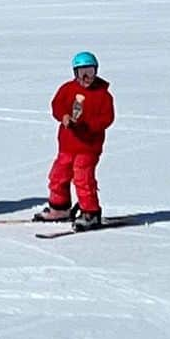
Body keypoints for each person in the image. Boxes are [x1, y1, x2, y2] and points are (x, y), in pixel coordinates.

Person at [35, 50, 114, 231]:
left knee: (83, 179)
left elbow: (107, 118)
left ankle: (90, 213)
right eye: (82, 72)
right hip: (67, 145)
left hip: (88, 147)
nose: (87, 76)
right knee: (58, 176)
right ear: (75, 73)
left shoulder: (103, 95)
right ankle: (60, 207)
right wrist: (63, 116)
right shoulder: (68, 89)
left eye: (90, 71)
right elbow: (57, 104)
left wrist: (87, 126)